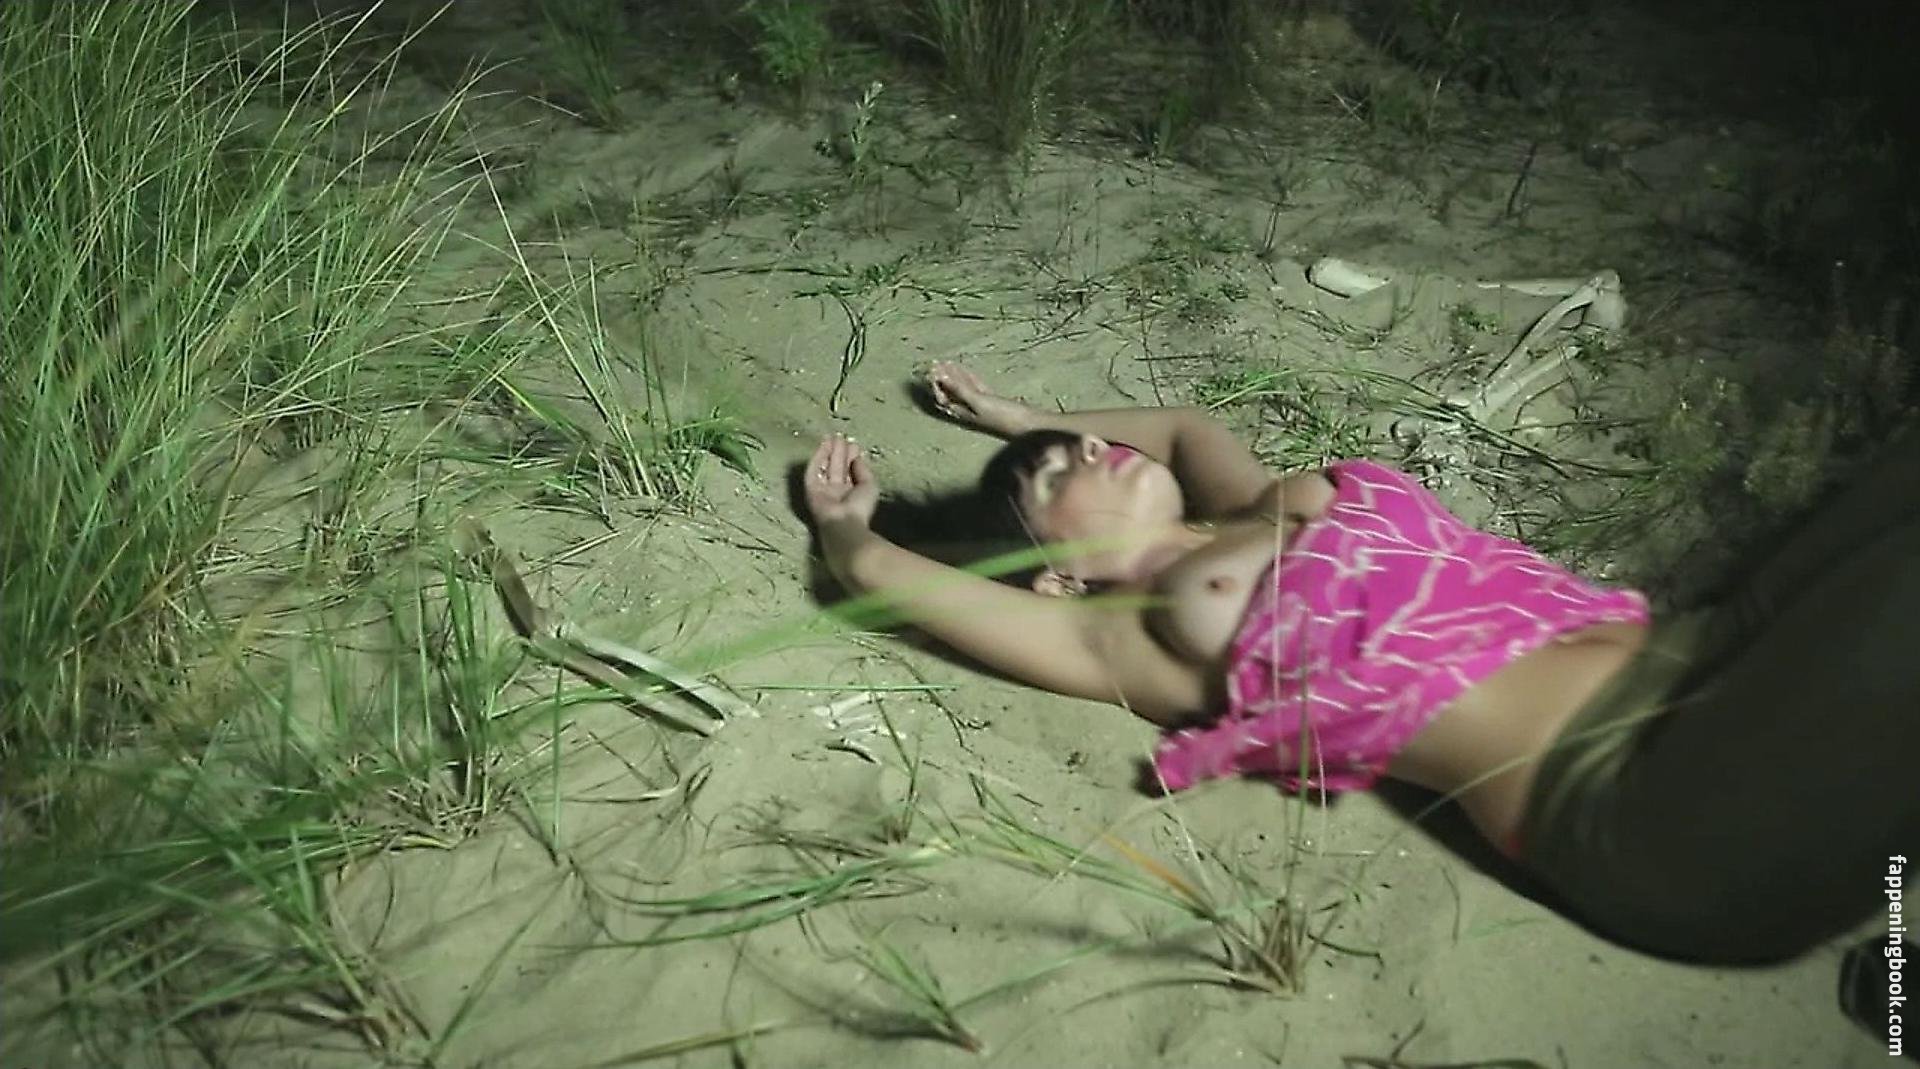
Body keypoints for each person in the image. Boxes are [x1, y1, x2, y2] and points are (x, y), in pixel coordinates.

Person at [801, 360, 1920, 969]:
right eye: (1057, 477)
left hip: (1706, 649)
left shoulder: (1248, 505)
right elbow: (905, 582)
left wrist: (1025, 419)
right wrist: (853, 537)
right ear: (1060, 574)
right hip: (1641, 796)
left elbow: (1180, 423)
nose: (1093, 449)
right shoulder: (1142, 632)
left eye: (1086, 444)